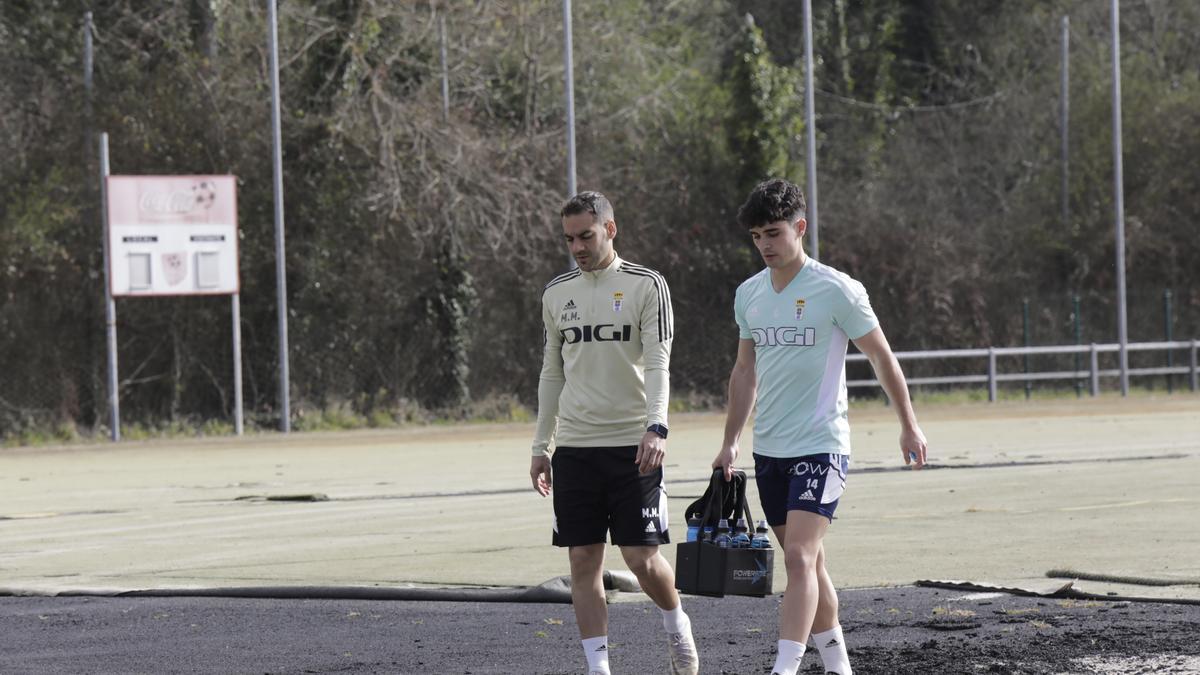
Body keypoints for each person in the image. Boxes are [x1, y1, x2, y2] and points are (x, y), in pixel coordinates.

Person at [711, 178, 928, 675]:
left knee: (799, 559)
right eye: (756, 236)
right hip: (771, 451)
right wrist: (730, 442)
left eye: (773, 232)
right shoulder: (749, 295)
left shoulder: (837, 289)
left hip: (822, 446)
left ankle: (783, 669)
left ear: (799, 228)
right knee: (809, 562)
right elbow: (744, 372)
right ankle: (839, 667)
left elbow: (882, 358)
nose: (765, 244)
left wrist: (908, 426)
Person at [529, 191, 698, 675]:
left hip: (633, 445)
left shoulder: (648, 285)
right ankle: (598, 668)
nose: (577, 247)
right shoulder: (556, 293)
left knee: (643, 559)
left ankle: (676, 626)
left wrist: (657, 426)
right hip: (576, 449)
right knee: (582, 560)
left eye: (585, 235)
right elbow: (551, 372)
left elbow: (660, 363)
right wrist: (542, 446)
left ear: (610, 229)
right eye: (568, 239)